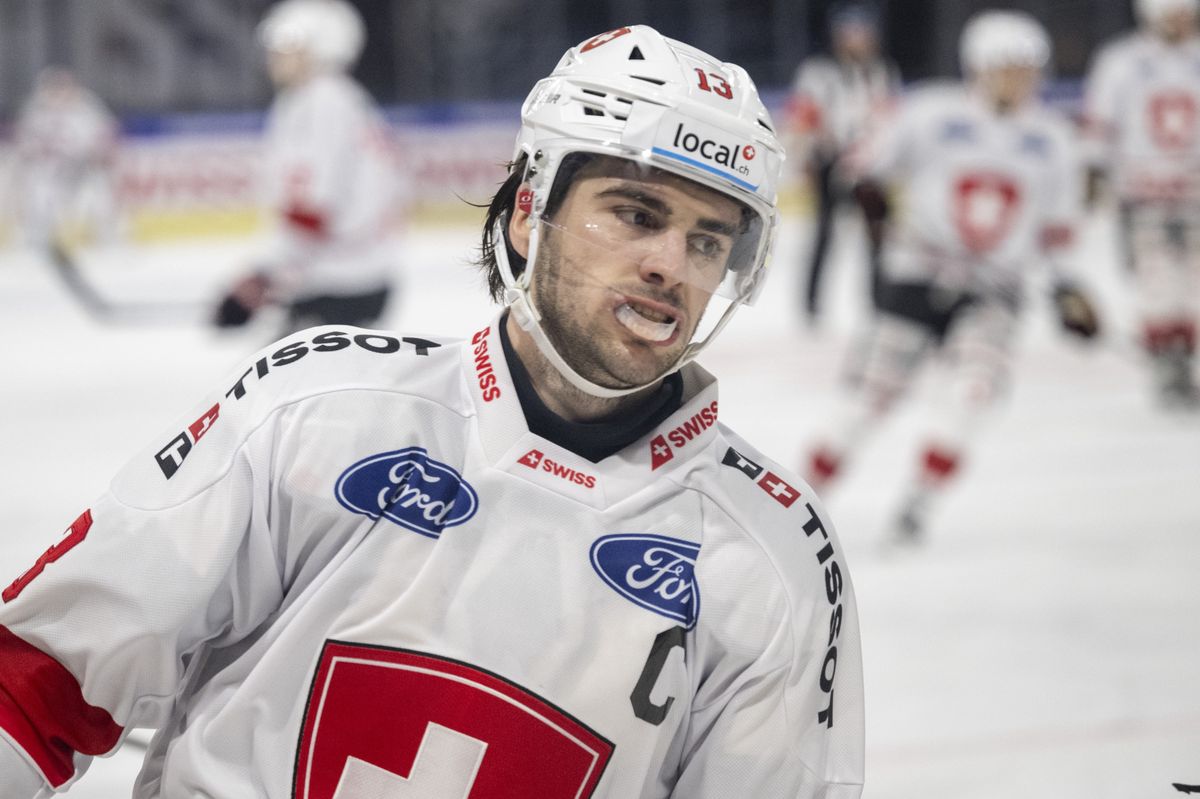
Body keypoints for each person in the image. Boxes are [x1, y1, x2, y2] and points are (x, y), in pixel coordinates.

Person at [0, 25, 864, 798]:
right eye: (635, 214)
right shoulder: (313, 409)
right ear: (532, 211)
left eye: (708, 240)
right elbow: (38, 677)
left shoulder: (774, 561)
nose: (669, 264)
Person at [805, 10, 1100, 543]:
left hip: (995, 292)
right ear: (978, 66)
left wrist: (1068, 290)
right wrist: (868, 193)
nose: (1019, 76)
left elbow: (1057, 233)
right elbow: (861, 165)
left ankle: (917, 502)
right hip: (916, 277)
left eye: (1027, 67)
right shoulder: (929, 112)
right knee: (865, 402)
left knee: (973, 395)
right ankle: (800, 500)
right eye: (1007, 65)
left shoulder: (1054, 138)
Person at [214, 0, 401, 334]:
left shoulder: (322, 103)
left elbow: (314, 211)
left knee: (277, 384)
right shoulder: (332, 99)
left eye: (288, 46)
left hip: (340, 284)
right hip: (342, 278)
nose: (275, 55)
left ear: (321, 48)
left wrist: (260, 274)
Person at [1083, 0, 1200, 407]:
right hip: (1142, 194)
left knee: (1193, 286)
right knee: (1158, 283)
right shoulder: (1121, 62)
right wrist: (1095, 178)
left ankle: (1183, 360)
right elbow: (1100, 126)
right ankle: (1169, 366)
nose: (1181, 21)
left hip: (1196, 194)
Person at [785, 2, 900, 321]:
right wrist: (807, 156)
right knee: (824, 235)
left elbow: (889, 117)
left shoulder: (881, 71)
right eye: (851, 34)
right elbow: (804, 118)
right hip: (831, 162)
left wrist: (878, 156)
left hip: (869, 164)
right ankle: (811, 306)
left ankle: (879, 302)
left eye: (863, 34)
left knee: (877, 236)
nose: (857, 40)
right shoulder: (818, 72)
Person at [12, 67, 122, 250]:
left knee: (101, 194)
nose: (59, 92)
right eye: (54, 87)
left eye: (63, 87)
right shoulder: (34, 111)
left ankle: (110, 240)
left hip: (82, 169)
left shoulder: (88, 107)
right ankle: (34, 241)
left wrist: (99, 154)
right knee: (38, 192)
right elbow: (24, 144)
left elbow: (107, 135)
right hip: (52, 173)